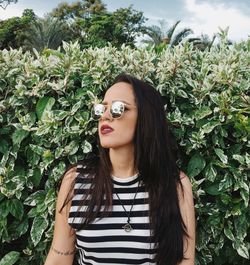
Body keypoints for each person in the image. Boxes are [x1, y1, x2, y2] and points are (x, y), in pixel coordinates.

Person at [44, 73, 195, 265]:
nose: (105, 116)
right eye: (102, 109)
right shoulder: (76, 180)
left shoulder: (174, 184)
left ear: (146, 117)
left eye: (118, 109)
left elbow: (184, 261)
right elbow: (59, 258)